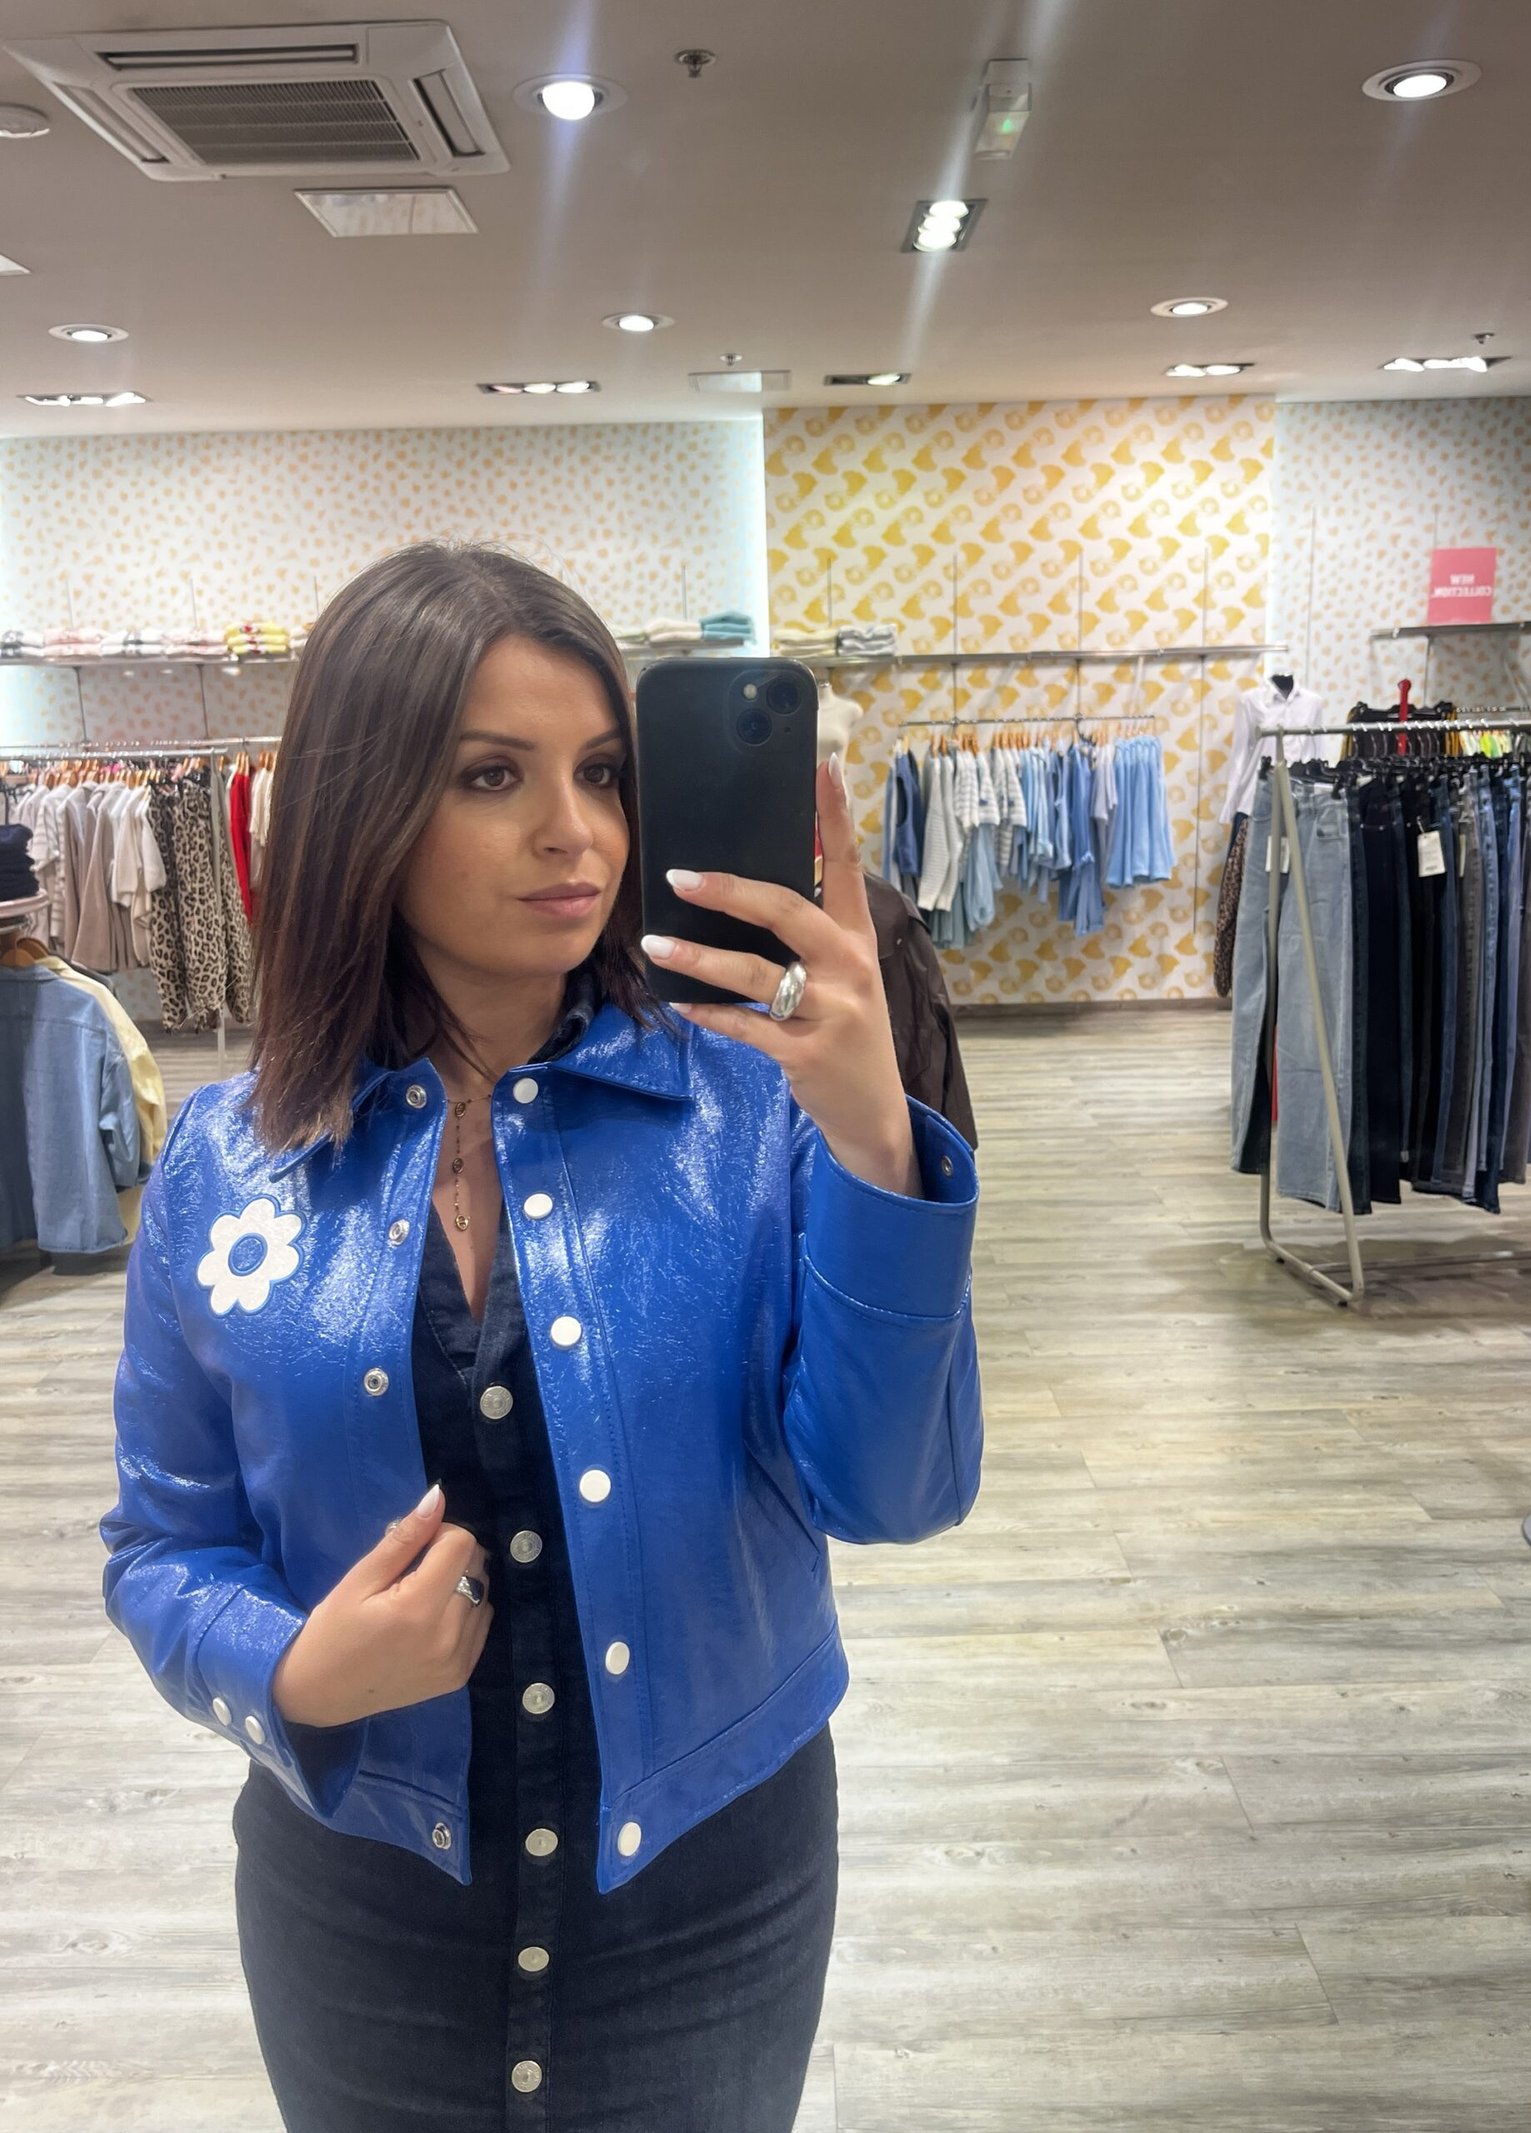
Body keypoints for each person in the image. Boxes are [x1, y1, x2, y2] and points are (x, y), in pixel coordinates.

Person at [101, 542, 984, 2133]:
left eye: (601, 772)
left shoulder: (752, 1111)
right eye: (491, 774)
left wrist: (873, 1144)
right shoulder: (227, 1166)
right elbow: (162, 1548)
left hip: (707, 1897)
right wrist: (291, 1668)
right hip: (360, 1905)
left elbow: (894, 1491)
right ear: (367, 805)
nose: (575, 831)